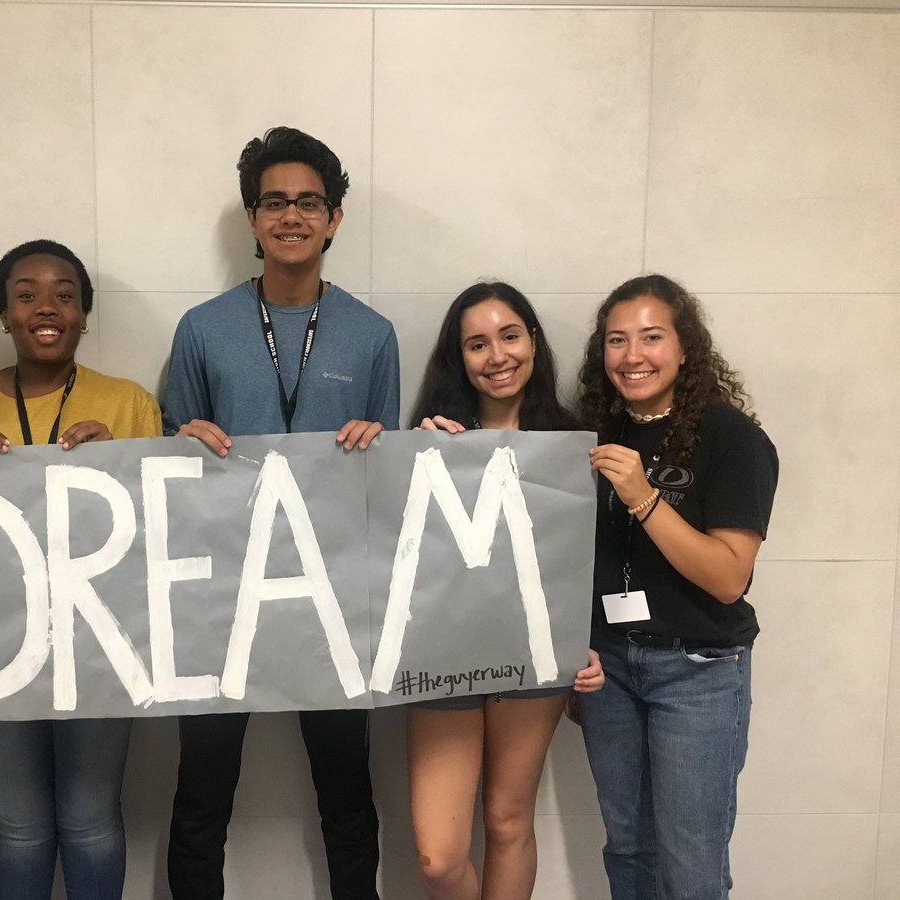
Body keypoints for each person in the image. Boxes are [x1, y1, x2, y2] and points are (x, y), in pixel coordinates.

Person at [162, 126, 399, 900]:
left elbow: (389, 485)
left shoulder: (373, 335)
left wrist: (377, 444)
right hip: (221, 598)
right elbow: (172, 473)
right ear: (252, 217)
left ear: (334, 218)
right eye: (274, 202)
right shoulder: (202, 329)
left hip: (332, 601)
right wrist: (182, 438)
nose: (291, 215)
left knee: (347, 798)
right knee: (201, 798)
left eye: (308, 202)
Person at [0, 239, 161, 900]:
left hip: (100, 646)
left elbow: (162, 535)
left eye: (65, 294)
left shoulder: (132, 404)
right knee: (21, 826)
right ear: (4, 314)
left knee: (90, 823)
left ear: (86, 313)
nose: (46, 307)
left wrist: (123, 464)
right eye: (25, 294)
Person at [575, 274, 778, 900]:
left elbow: (727, 577)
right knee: (628, 849)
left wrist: (643, 497)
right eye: (617, 340)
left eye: (651, 337)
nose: (633, 356)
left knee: (689, 863)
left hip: (697, 670)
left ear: (686, 347)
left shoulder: (732, 437)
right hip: (609, 670)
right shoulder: (594, 433)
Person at [405, 282, 605, 900]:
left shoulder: (575, 445)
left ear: (534, 342)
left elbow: (589, 561)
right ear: (457, 358)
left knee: (507, 818)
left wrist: (587, 643)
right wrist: (417, 452)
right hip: (444, 655)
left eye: (509, 336)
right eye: (477, 343)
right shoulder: (429, 443)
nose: (497, 355)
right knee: (439, 856)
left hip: (536, 656)